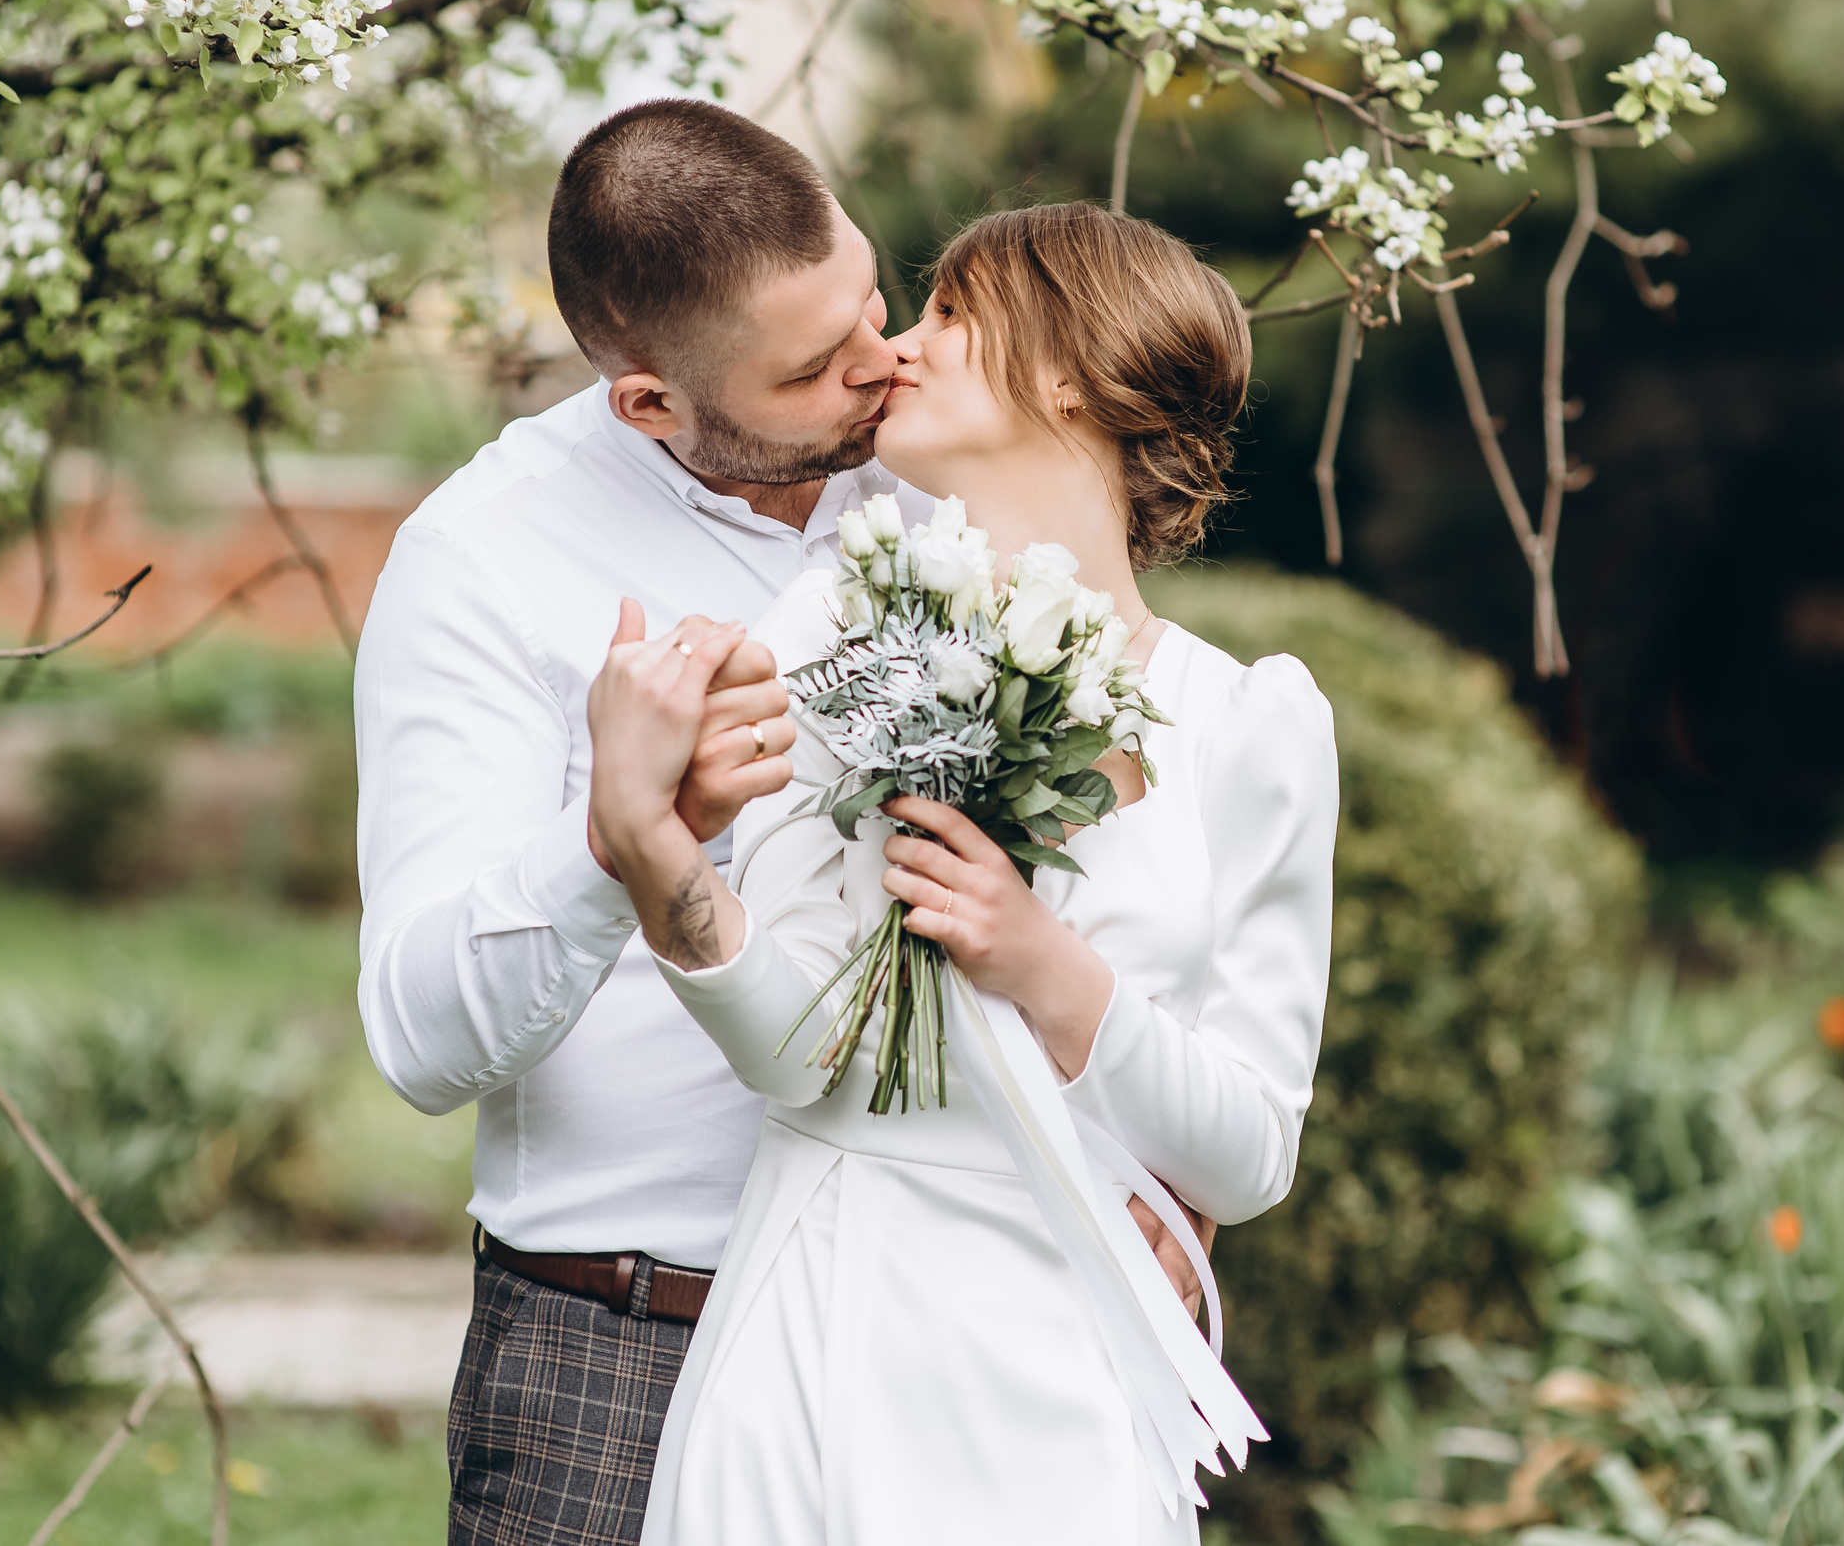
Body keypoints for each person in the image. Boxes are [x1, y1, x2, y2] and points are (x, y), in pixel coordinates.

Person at [354, 103, 1212, 1546]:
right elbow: (418, 1038)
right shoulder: (480, 562)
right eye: (816, 366)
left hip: (954, 1335)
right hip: (626, 1347)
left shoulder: (943, 463)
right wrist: (615, 840)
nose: (880, 362)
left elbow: (1135, 869)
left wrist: (1170, 1195)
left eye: (874, 303)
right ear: (649, 402)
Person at [583, 203, 1340, 1542]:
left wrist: (1049, 972)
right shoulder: (832, 631)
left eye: (948, 313)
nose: (896, 348)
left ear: (1070, 369)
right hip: (824, 1322)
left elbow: (1250, 1150)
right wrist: (655, 861)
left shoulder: (1248, 723)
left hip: (1062, 1371)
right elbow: (797, 1052)